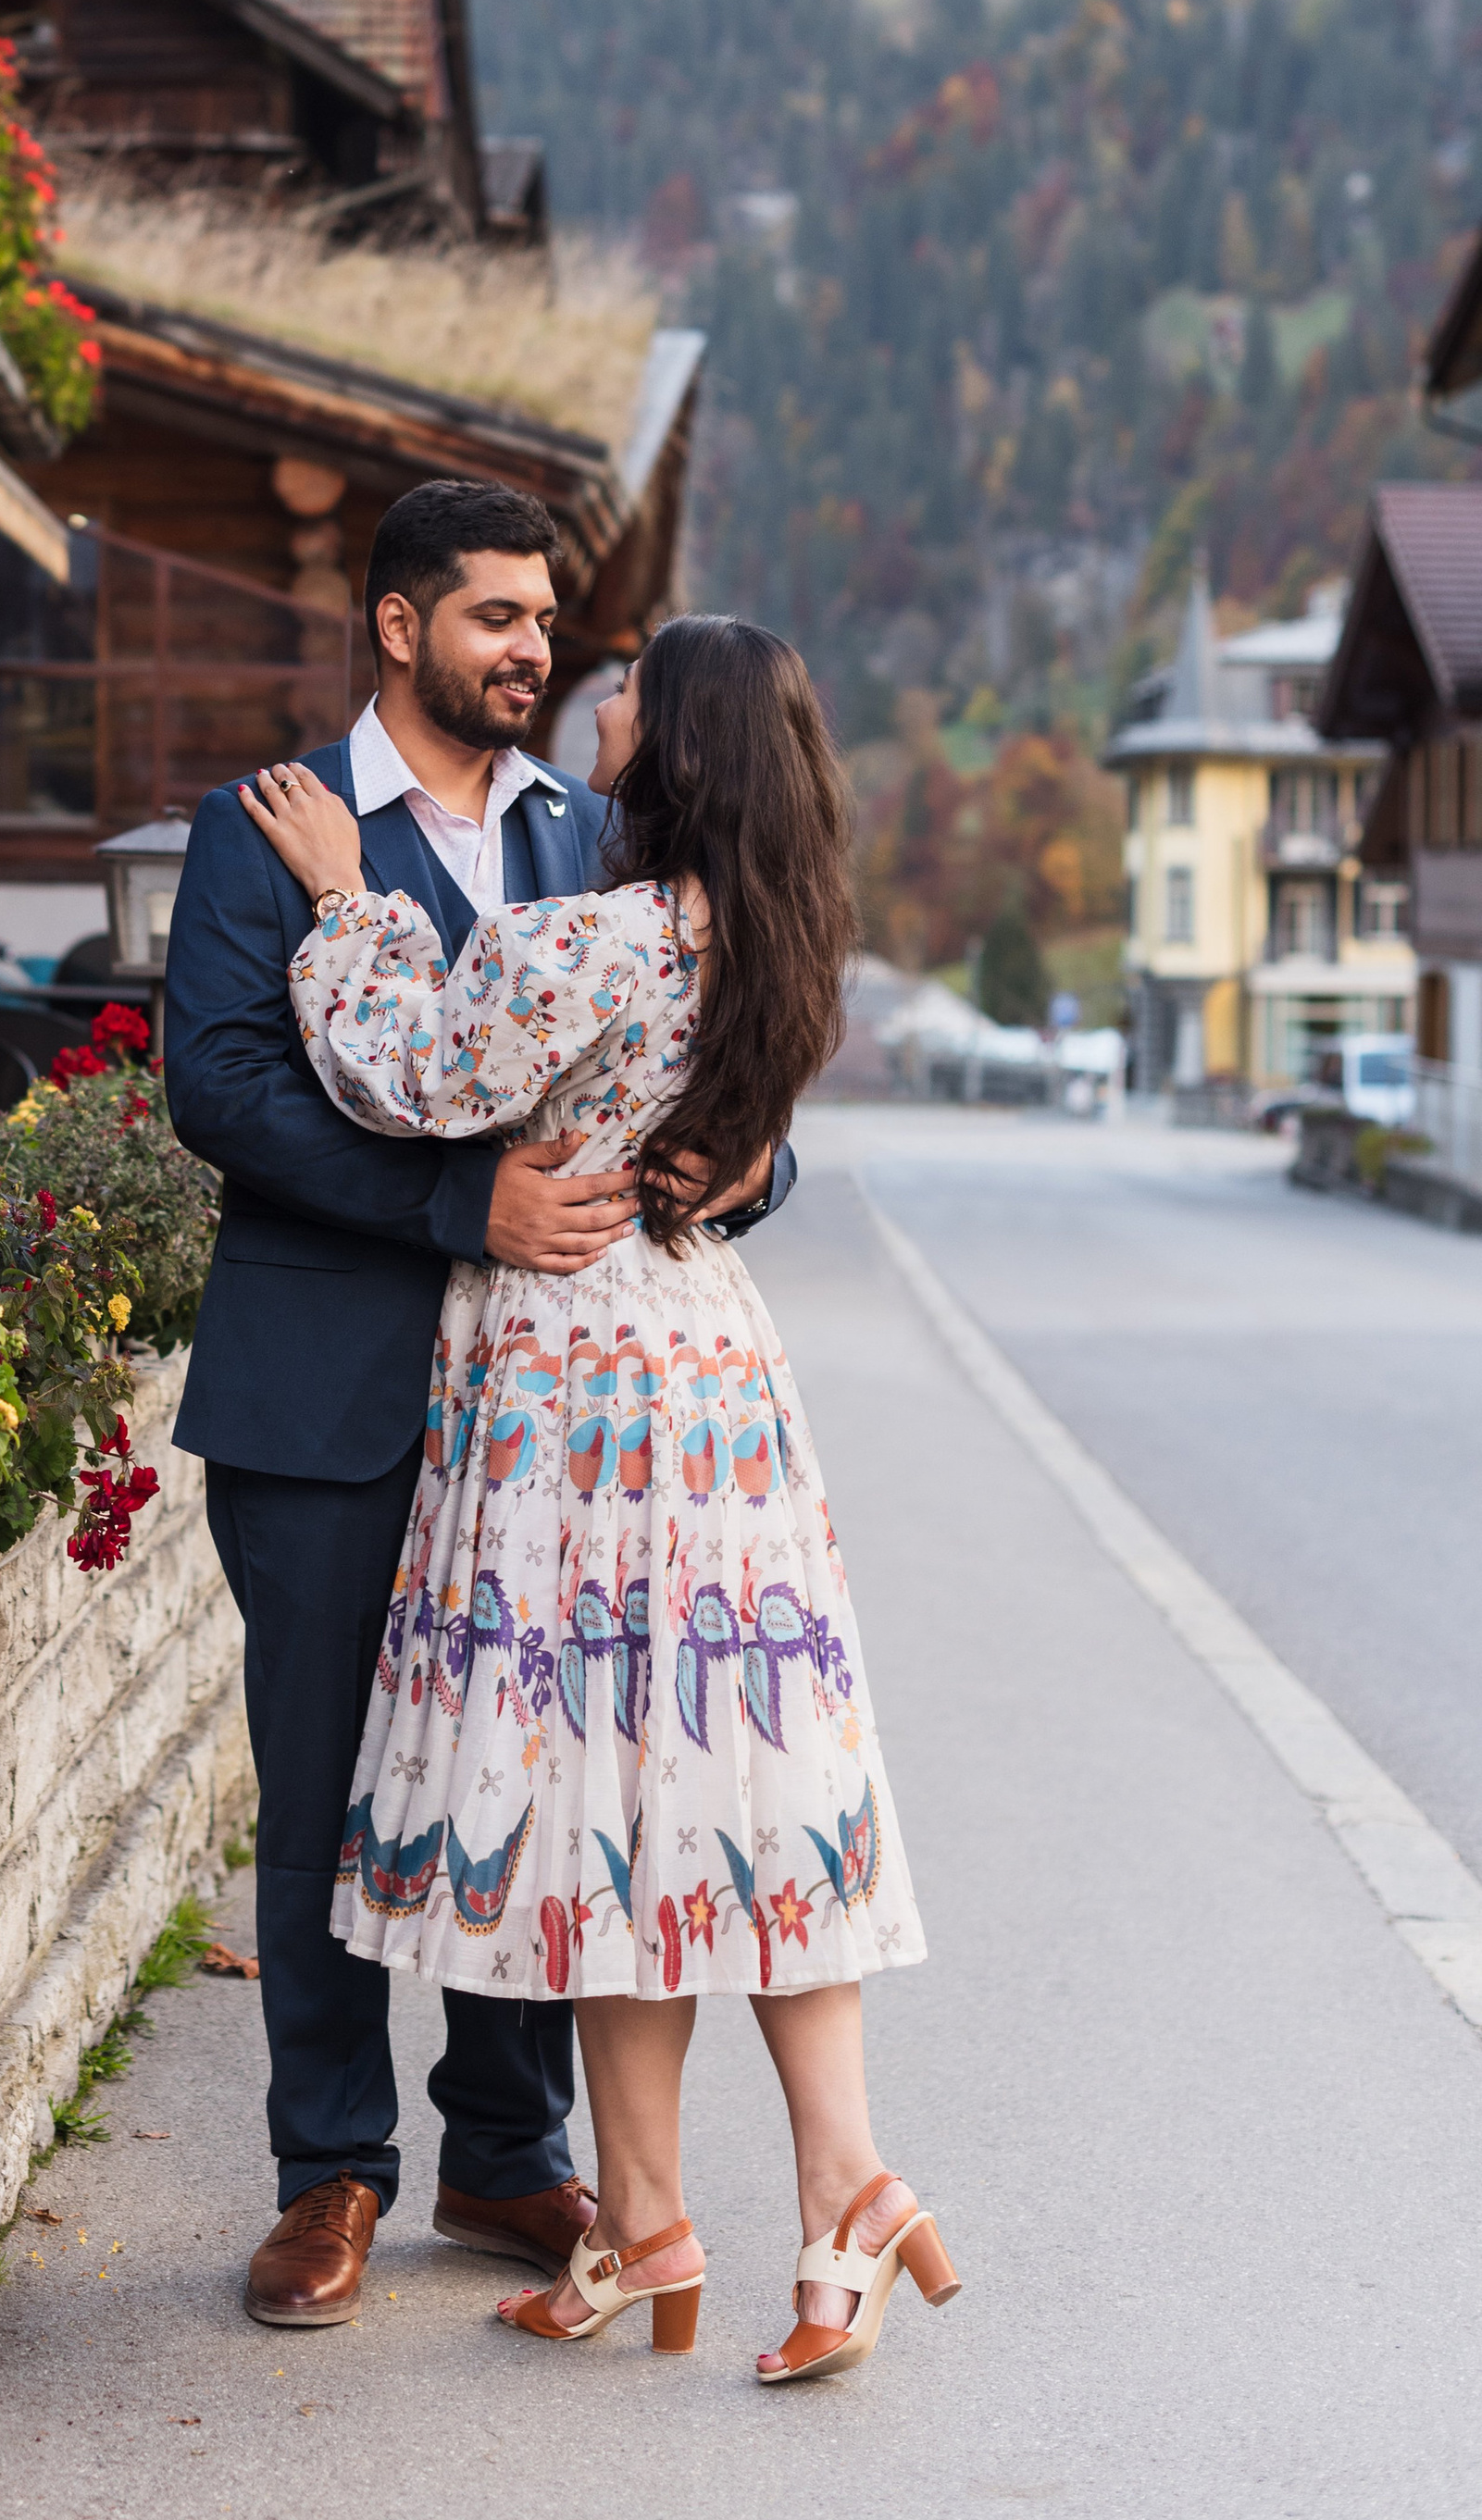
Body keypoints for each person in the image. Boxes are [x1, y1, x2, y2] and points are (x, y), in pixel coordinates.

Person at [236, 613, 957, 2382]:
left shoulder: (600, 938)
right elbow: (743, 1146)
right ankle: (718, 2211)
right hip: (713, 1380)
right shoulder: (784, 945)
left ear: (680, 747)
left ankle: (694, 2211)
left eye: (629, 689)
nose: (594, 698)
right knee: (706, 1771)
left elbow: (405, 1065)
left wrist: (345, 891)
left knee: (589, 1776)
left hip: (573, 1386)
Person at [164, 481, 794, 2330]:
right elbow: (223, 1091)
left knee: (536, 1774)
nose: (532, 649)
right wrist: (464, 1207)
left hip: (564, 1429)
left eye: (544, 623)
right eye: (495, 619)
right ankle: (327, 2173)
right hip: (327, 1395)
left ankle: (503, 2152)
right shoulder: (268, 830)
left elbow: (722, 1068)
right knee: (321, 1795)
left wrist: (729, 1179)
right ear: (396, 625)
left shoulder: (608, 835)